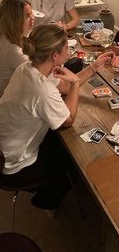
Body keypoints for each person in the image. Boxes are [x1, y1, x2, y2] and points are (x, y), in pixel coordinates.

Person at [0, 24, 111, 210]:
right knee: (75, 154)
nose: (69, 49)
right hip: (14, 167)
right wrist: (75, 83)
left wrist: (94, 66)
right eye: (67, 46)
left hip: (4, 146)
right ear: (54, 55)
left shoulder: (28, 68)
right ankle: (48, 199)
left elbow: (64, 87)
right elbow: (68, 120)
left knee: (60, 138)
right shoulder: (41, 90)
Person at [0, 0, 34, 97]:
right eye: (27, 15)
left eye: (32, 13)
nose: (33, 17)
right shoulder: (12, 50)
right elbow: (40, 76)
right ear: (15, 20)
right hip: (7, 101)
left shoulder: (6, 35)